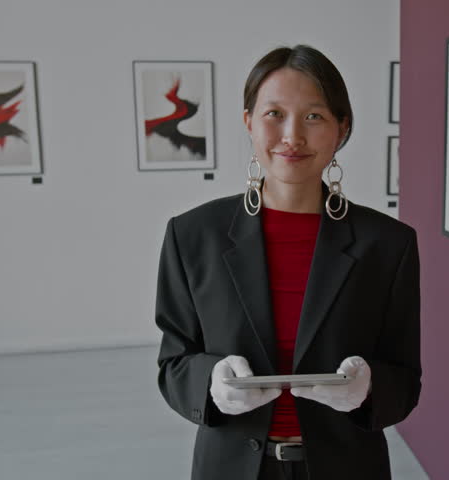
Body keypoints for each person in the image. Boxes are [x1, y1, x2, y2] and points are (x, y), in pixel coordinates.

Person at [155, 44, 421, 480]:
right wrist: (211, 382)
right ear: (248, 122)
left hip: (348, 468)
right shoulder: (191, 236)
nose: (292, 136)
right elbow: (173, 364)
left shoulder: (389, 244)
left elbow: (406, 380)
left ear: (341, 128)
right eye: (274, 114)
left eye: (314, 116)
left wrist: (368, 387)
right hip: (231, 468)